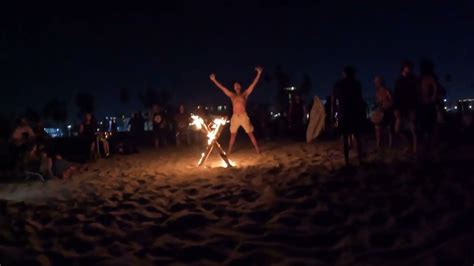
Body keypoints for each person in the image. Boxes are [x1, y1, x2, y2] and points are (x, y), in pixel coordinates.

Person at [210, 66, 263, 154]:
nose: (236, 86)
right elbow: (222, 88)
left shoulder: (245, 94)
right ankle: (229, 151)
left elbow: (253, 84)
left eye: (238, 84)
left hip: (243, 116)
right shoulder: (232, 95)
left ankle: (257, 149)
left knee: (250, 134)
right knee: (233, 135)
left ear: (240, 87)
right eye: (235, 85)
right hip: (235, 117)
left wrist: (259, 74)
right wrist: (214, 80)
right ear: (234, 88)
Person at [331, 66, 364, 166]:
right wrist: (362, 114)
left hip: (344, 113)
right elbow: (360, 101)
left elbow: (334, 101)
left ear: (344, 73)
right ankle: (360, 160)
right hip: (354, 113)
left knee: (345, 138)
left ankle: (347, 161)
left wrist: (333, 115)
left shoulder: (339, 84)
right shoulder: (356, 84)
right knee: (357, 138)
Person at [393, 61, 418, 153]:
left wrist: (415, 107)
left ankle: (415, 151)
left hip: (411, 108)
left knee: (413, 130)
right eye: (408, 67)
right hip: (401, 108)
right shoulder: (399, 80)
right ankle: (409, 145)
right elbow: (396, 95)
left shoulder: (414, 79)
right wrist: (396, 109)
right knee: (397, 129)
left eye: (410, 67)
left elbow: (416, 93)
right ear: (403, 68)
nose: (409, 69)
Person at [418, 60, 439, 160]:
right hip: (423, 106)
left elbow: (435, 87)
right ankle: (426, 150)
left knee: (431, 128)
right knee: (425, 128)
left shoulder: (430, 77)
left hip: (429, 105)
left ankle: (431, 149)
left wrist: (433, 97)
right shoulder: (421, 78)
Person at [372, 76, 394, 149]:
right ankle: (378, 145)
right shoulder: (377, 92)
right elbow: (377, 102)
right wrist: (376, 106)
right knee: (377, 128)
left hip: (388, 112)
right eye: (375, 82)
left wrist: (386, 106)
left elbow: (392, 101)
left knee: (389, 129)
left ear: (381, 82)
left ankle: (391, 145)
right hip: (381, 112)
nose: (376, 83)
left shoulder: (387, 91)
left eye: (377, 82)